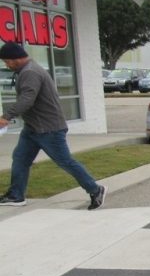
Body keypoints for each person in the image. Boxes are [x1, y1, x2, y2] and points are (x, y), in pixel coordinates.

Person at [0, 41, 105, 209]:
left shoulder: (30, 72)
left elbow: (27, 99)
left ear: (15, 59)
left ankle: (95, 189)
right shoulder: (28, 70)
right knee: (20, 158)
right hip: (33, 128)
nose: (6, 65)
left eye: (6, 61)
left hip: (49, 129)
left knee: (65, 161)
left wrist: (6, 116)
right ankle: (16, 195)